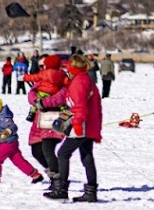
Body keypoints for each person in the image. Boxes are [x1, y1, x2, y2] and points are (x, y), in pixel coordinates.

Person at [40, 53, 102, 203]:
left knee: (62, 154)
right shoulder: (81, 79)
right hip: (87, 124)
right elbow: (66, 97)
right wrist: (46, 102)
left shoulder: (80, 82)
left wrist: (77, 125)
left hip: (81, 125)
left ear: (73, 66)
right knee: (86, 157)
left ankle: (61, 190)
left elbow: (80, 107)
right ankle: (91, 193)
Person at [23, 57, 66, 182]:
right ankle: (52, 170)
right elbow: (32, 92)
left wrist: (44, 102)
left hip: (53, 118)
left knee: (47, 149)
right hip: (38, 119)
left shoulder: (63, 80)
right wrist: (36, 101)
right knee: (36, 150)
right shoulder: (42, 79)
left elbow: (63, 95)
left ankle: (58, 179)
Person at [0, 96, 43, 184]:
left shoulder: (4, 118)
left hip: (8, 143)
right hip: (10, 143)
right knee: (18, 160)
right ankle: (35, 175)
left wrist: (7, 131)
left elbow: (13, 126)